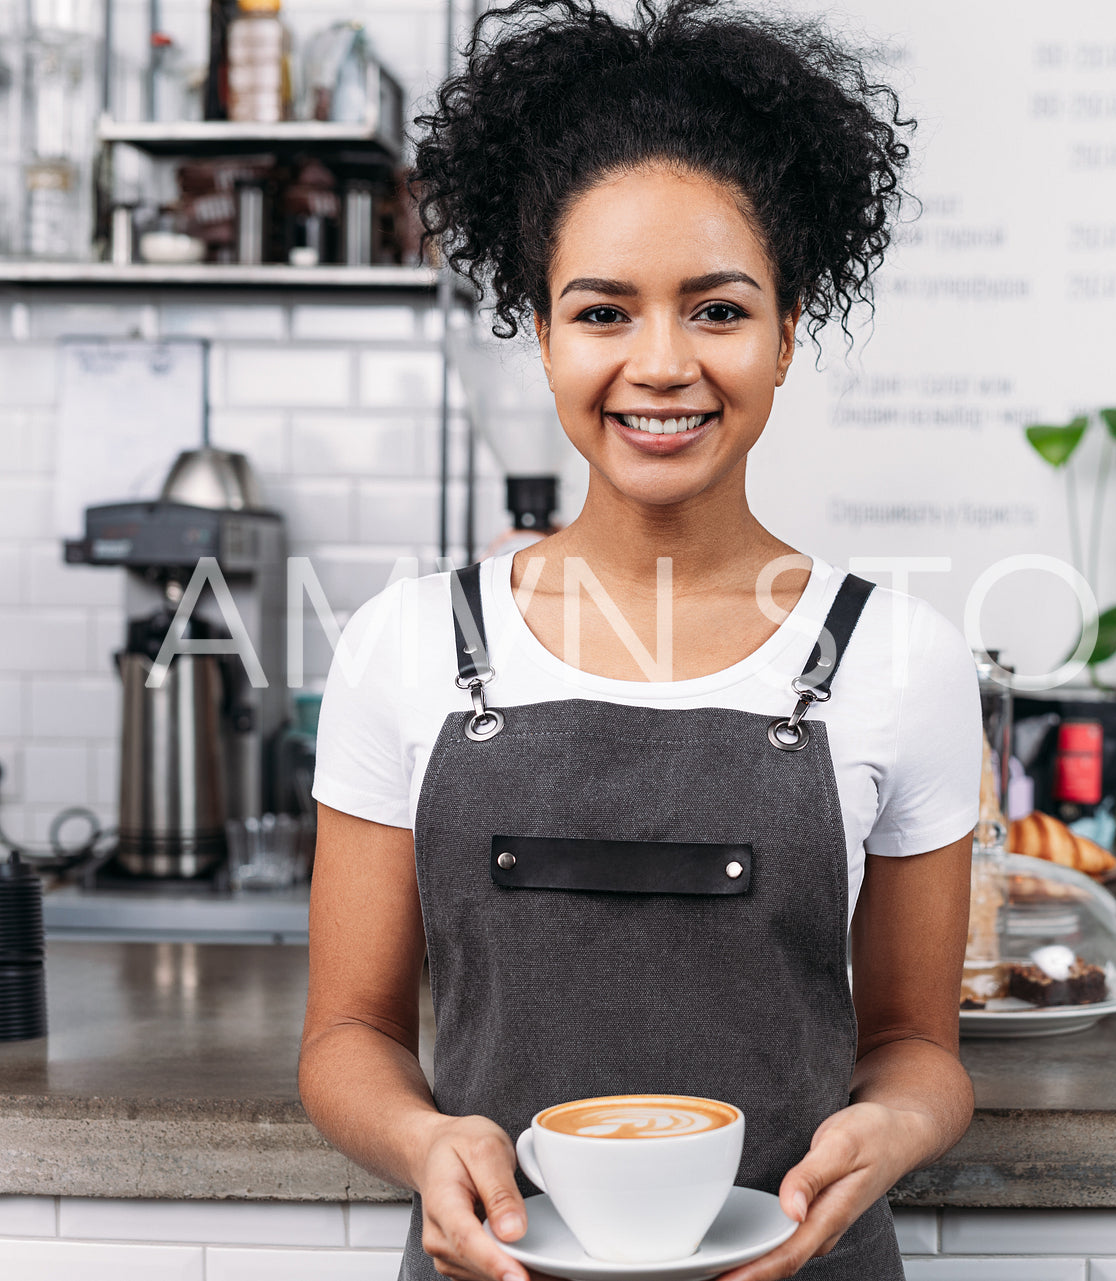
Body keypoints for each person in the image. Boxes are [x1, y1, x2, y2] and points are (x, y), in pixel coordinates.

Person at [299, 2, 983, 1278]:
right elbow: (346, 1032)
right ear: (541, 332)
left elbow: (915, 1044)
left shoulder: (901, 658)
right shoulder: (406, 645)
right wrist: (416, 1141)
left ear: (786, 336)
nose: (659, 364)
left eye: (715, 311)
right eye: (603, 312)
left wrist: (892, 1123)